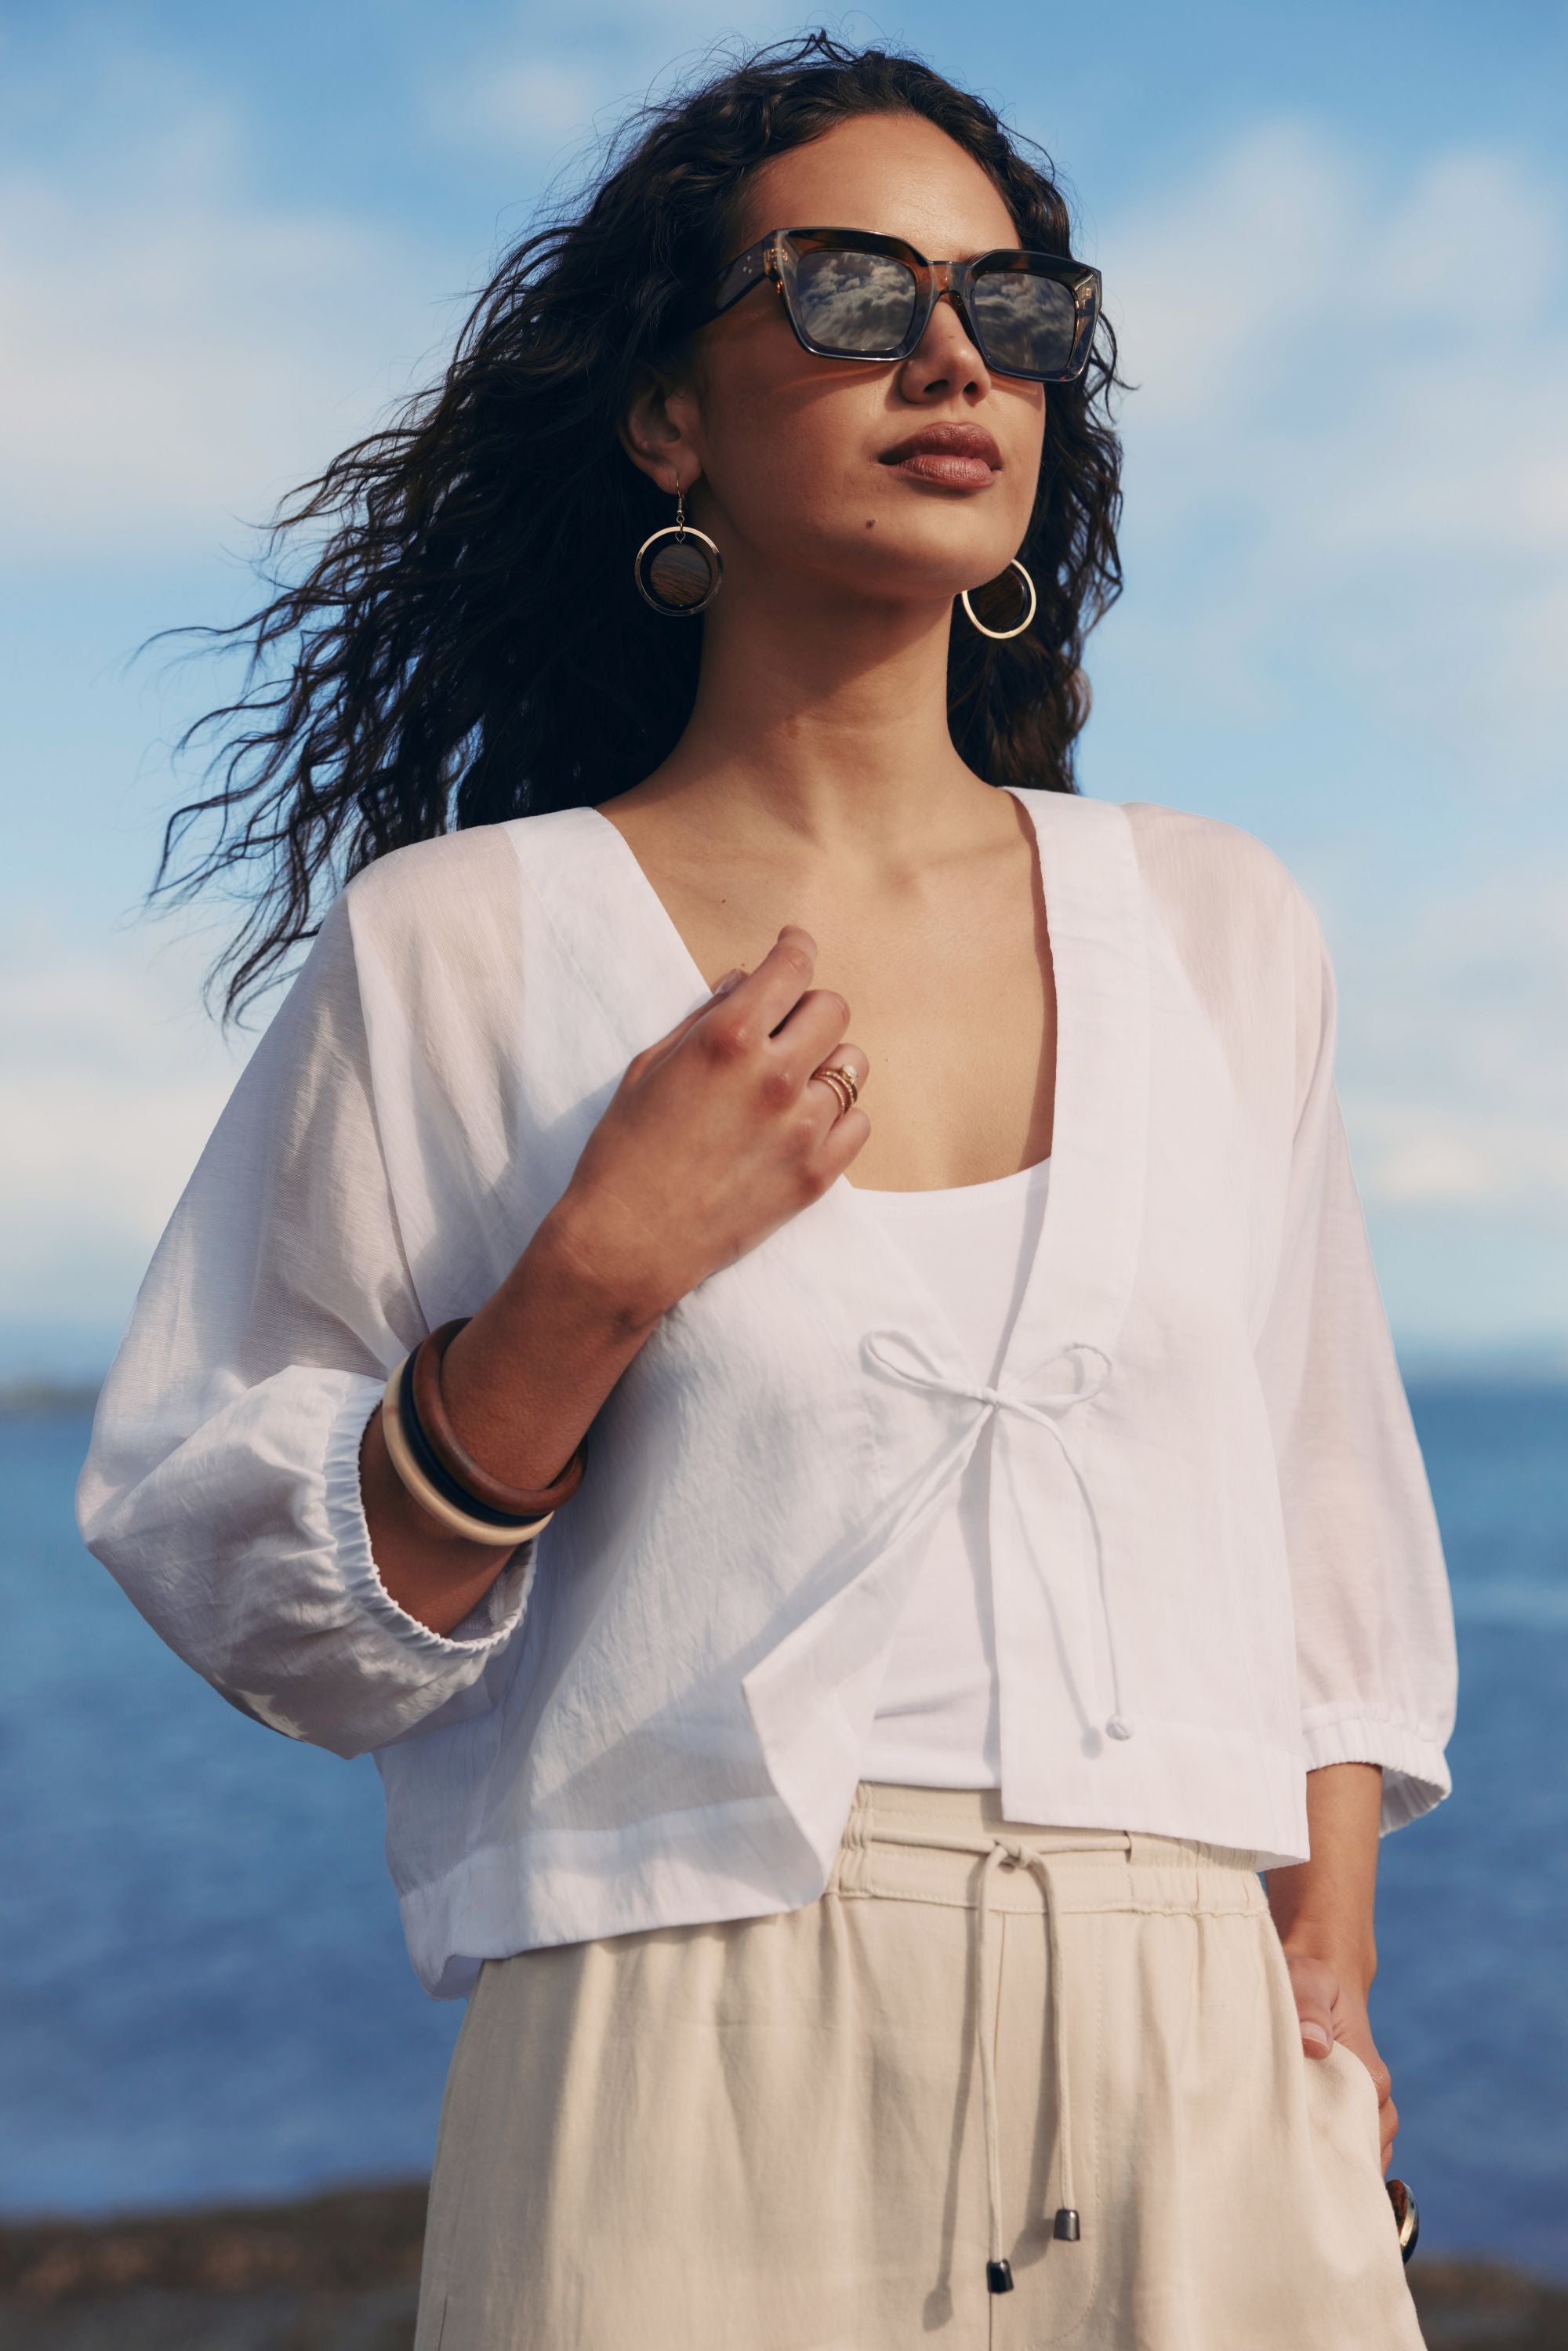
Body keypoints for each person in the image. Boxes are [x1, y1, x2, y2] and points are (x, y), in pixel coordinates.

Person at [77, 34, 1457, 2350]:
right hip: (675, 2058)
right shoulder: (466, 946)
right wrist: (594, 1279)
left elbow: (1326, 1524)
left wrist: (1318, 1992)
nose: (949, 360)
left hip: (1205, 2073)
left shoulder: (1225, 926)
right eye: (844, 293)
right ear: (666, 419)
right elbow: (262, 1600)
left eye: (1017, 313)